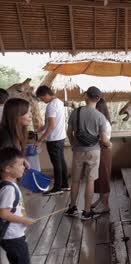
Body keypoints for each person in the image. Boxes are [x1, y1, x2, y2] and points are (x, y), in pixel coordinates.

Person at [65, 86, 110, 220]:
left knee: (75, 181)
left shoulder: (75, 112)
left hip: (78, 151)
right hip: (94, 151)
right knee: (90, 181)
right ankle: (86, 211)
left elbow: (69, 132)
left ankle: (72, 207)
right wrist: (109, 144)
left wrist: (74, 145)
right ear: (99, 99)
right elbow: (104, 139)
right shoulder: (100, 116)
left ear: (85, 96)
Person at [0, 148, 35, 264]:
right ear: (7, 169)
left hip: (13, 235)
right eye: (20, 164)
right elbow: (3, 213)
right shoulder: (8, 189)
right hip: (12, 236)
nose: (24, 167)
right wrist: (23, 220)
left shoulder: (7, 185)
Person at [35, 85, 68, 196]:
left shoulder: (51, 106)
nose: (41, 100)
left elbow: (52, 126)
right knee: (61, 161)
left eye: (41, 98)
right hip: (60, 137)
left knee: (56, 163)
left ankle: (57, 187)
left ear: (46, 95)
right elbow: (51, 123)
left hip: (54, 139)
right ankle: (65, 184)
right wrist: (42, 128)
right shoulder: (58, 102)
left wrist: (40, 140)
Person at [92, 98, 112, 214]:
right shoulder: (99, 119)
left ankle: (105, 205)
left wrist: (110, 145)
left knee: (104, 177)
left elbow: (104, 140)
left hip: (104, 150)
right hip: (99, 149)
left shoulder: (103, 120)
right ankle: (100, 200)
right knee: (99, 177)